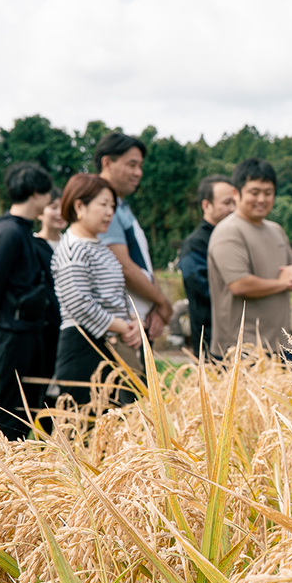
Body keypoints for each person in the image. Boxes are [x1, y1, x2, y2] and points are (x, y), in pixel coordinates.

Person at [50, 174, 141, 406]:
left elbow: (116, 294)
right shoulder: (73, 248)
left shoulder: (99, 246)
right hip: (84, 347)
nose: (110, 212)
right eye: (103, 205)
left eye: (112, 206)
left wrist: (132, 322)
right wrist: (123, 327)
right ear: (79, 206)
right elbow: (79, 303)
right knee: (88, 422)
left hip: (109, 342)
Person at [0, 162, 54, 443]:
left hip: (28, 331)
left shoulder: (23, 230)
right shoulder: (7, 232)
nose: (49, 199)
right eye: (47, 193)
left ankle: (15, 466)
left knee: (24, 409)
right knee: (4, 408)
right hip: (11, 332)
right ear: (35, 193)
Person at [207, 158, 292, 358]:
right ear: (236, 193)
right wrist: (283, 283)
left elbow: (291, 274)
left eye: (268, 193)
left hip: (282, 347)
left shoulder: (276, 230)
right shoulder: (229, 231)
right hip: (242, 350)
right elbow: (239, 284)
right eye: (254, 192)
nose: (262, 199)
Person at [94, 132, 173, 343]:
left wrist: (156, 305)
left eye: (140, 166)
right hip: (123, 326)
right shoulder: (102, 208)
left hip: (138, 322)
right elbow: (124, 266)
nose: (138, 172)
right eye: (131, 164)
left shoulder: (122, 205)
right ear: (107, 163)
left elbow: (143, 265)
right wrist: (162, 303)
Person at [178, 175, 236, 356]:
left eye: (235, 202)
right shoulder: (195, 245)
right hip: (212, 341)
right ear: (206, 205)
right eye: (226, 203)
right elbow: (204, 291)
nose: (233, 208)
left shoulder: (235, 238)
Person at [34, 187, 65, 380]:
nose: (60, 213)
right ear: (39, 212)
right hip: (44, 330)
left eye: (64, 206)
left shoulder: (73, 245)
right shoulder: (32, 245)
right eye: (53, 207)